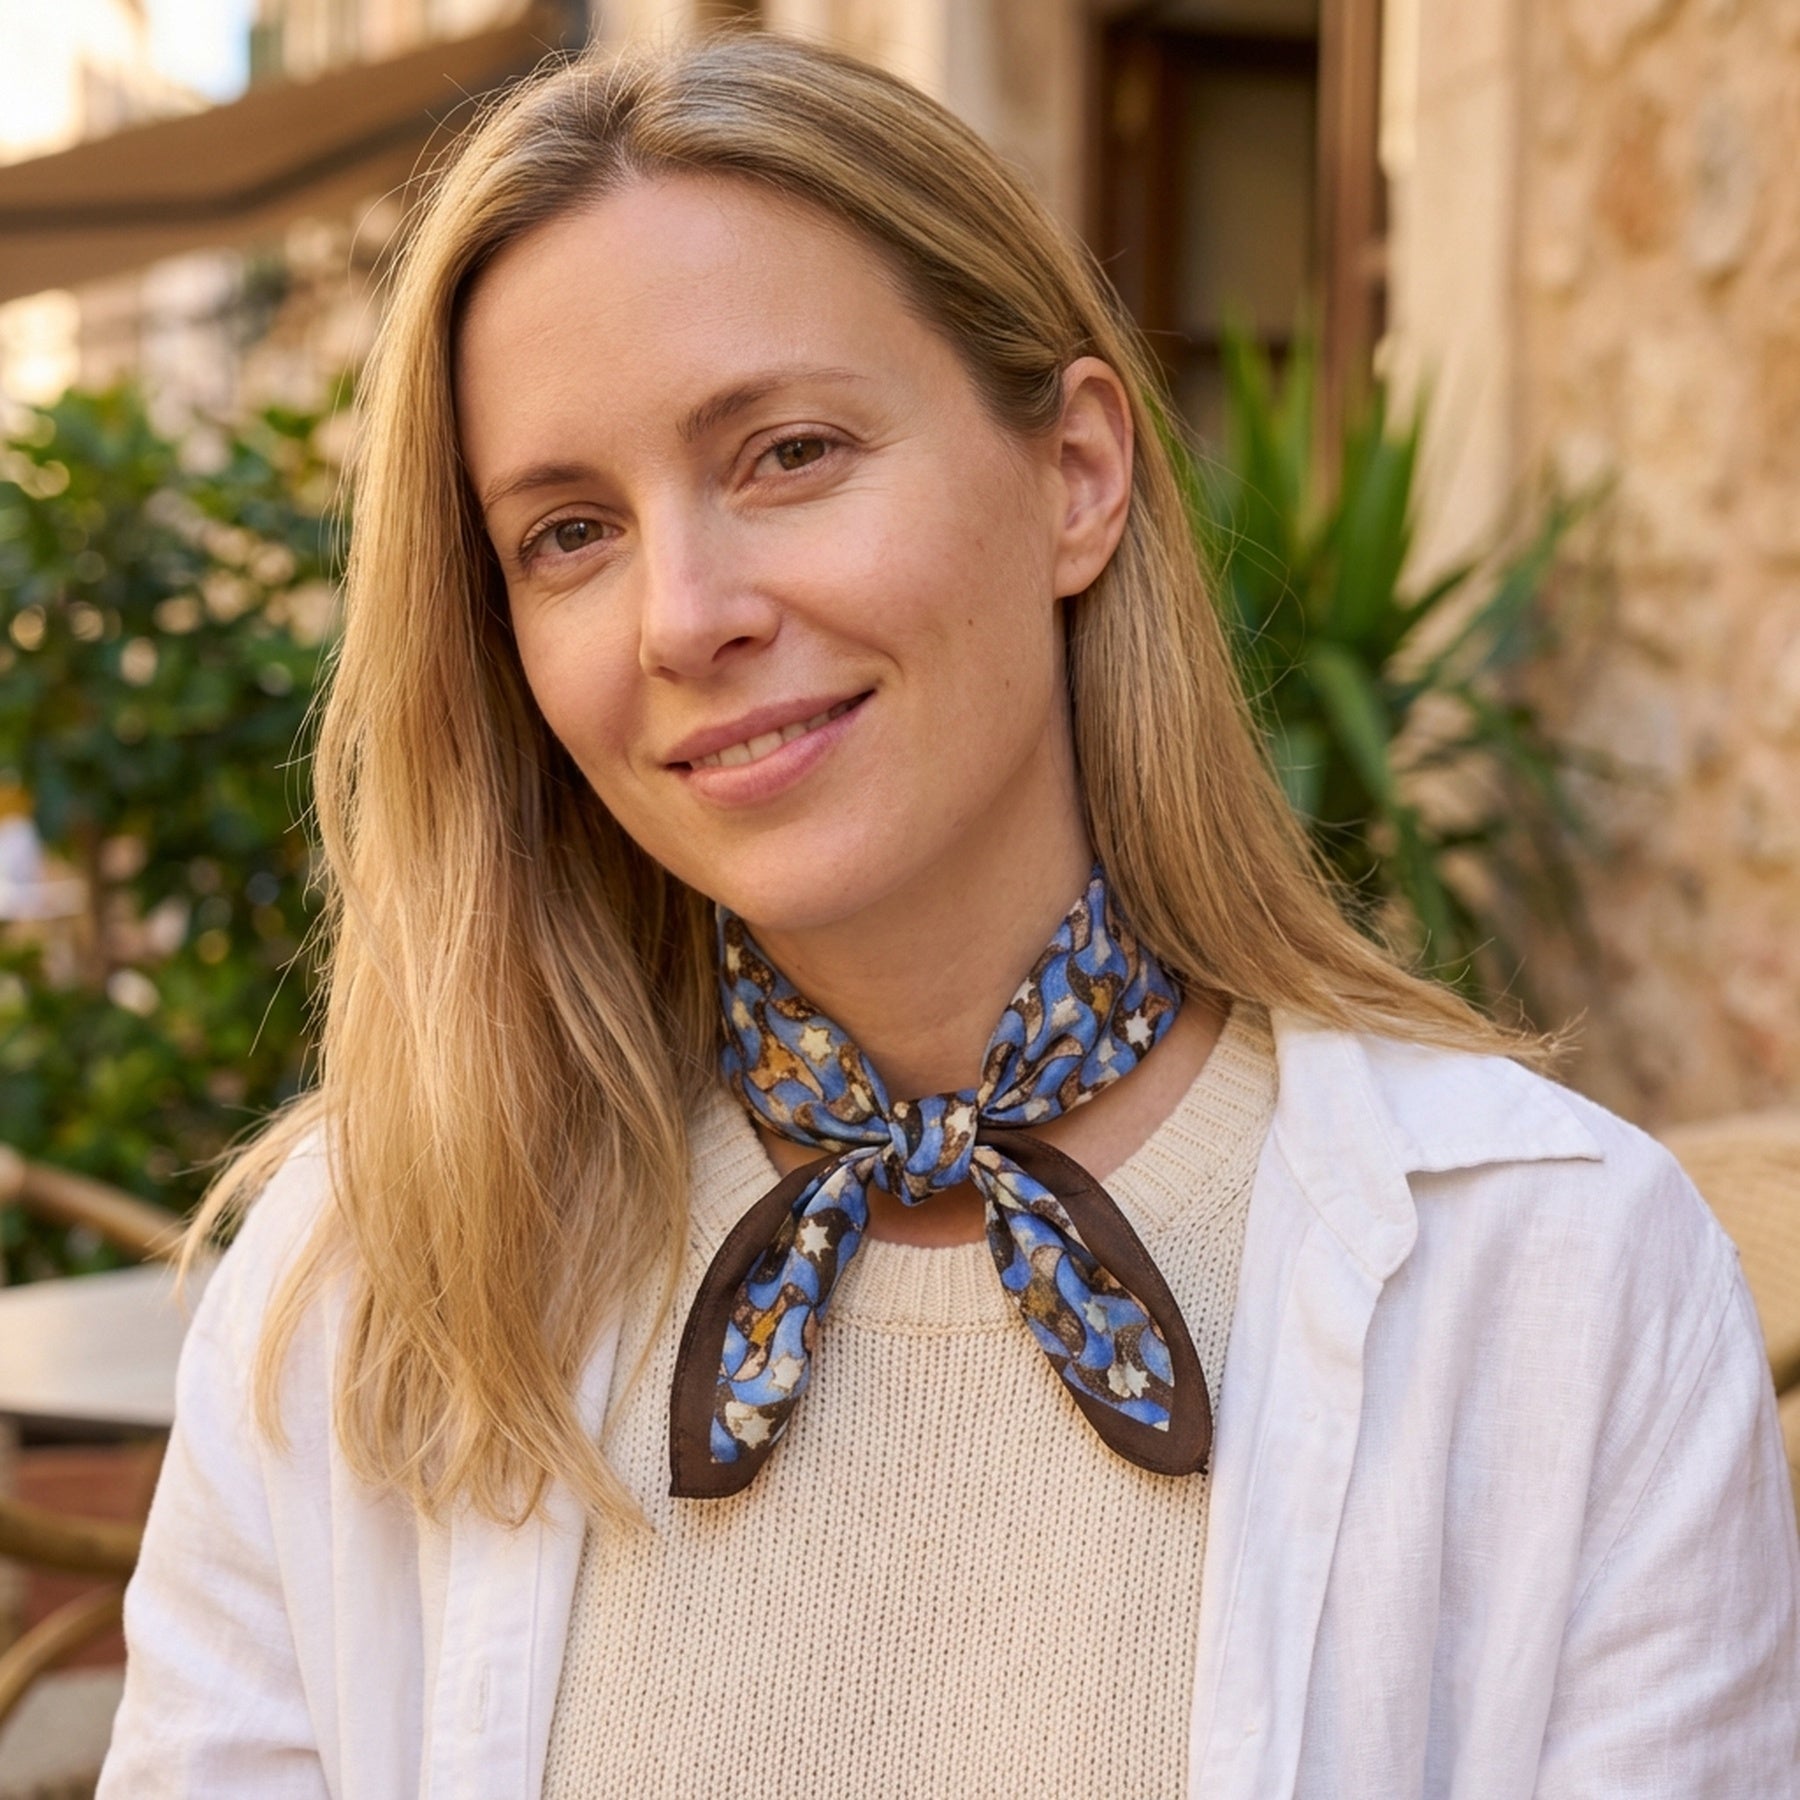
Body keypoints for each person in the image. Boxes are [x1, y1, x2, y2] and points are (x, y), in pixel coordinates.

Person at [99, 30, 1799, 1799]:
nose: (685, 613)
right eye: (570, 533)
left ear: (1074, 473)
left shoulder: (1563, 1283)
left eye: (788, 451)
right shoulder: (364, 1286)